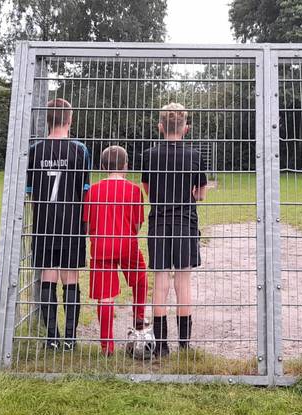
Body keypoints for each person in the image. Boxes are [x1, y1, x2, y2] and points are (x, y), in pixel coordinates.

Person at [142, 102, 208, 357]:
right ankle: (184, 343)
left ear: (160, 127)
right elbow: (201, 193)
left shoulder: (150, 154)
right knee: (183, 282)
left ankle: (161, 346)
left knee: (160, 283)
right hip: (185, 223)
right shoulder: (194, 155)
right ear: (186, 129)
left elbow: (147, 189)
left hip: (158, 223)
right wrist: (192, 192)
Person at [26, 98, 90, 351]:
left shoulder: (35, 150)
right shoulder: (80, 150)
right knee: (70, 278)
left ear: (47, 120)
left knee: (48, 276)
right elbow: (84, 190)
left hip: (44, 223)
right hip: (72, 224)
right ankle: (71, 339)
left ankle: (51, 337)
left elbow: (31, 190)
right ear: (70, 119)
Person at [82, 145, 148, 356]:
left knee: (106, 296)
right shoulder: (135, 190)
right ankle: (139, 316)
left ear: (102, 166)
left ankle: (107, 346)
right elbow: (137, 225)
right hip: (127, 244)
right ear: (126, 165)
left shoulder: (93, 190)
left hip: (101, 246)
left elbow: (88, 224)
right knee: (140, 276)